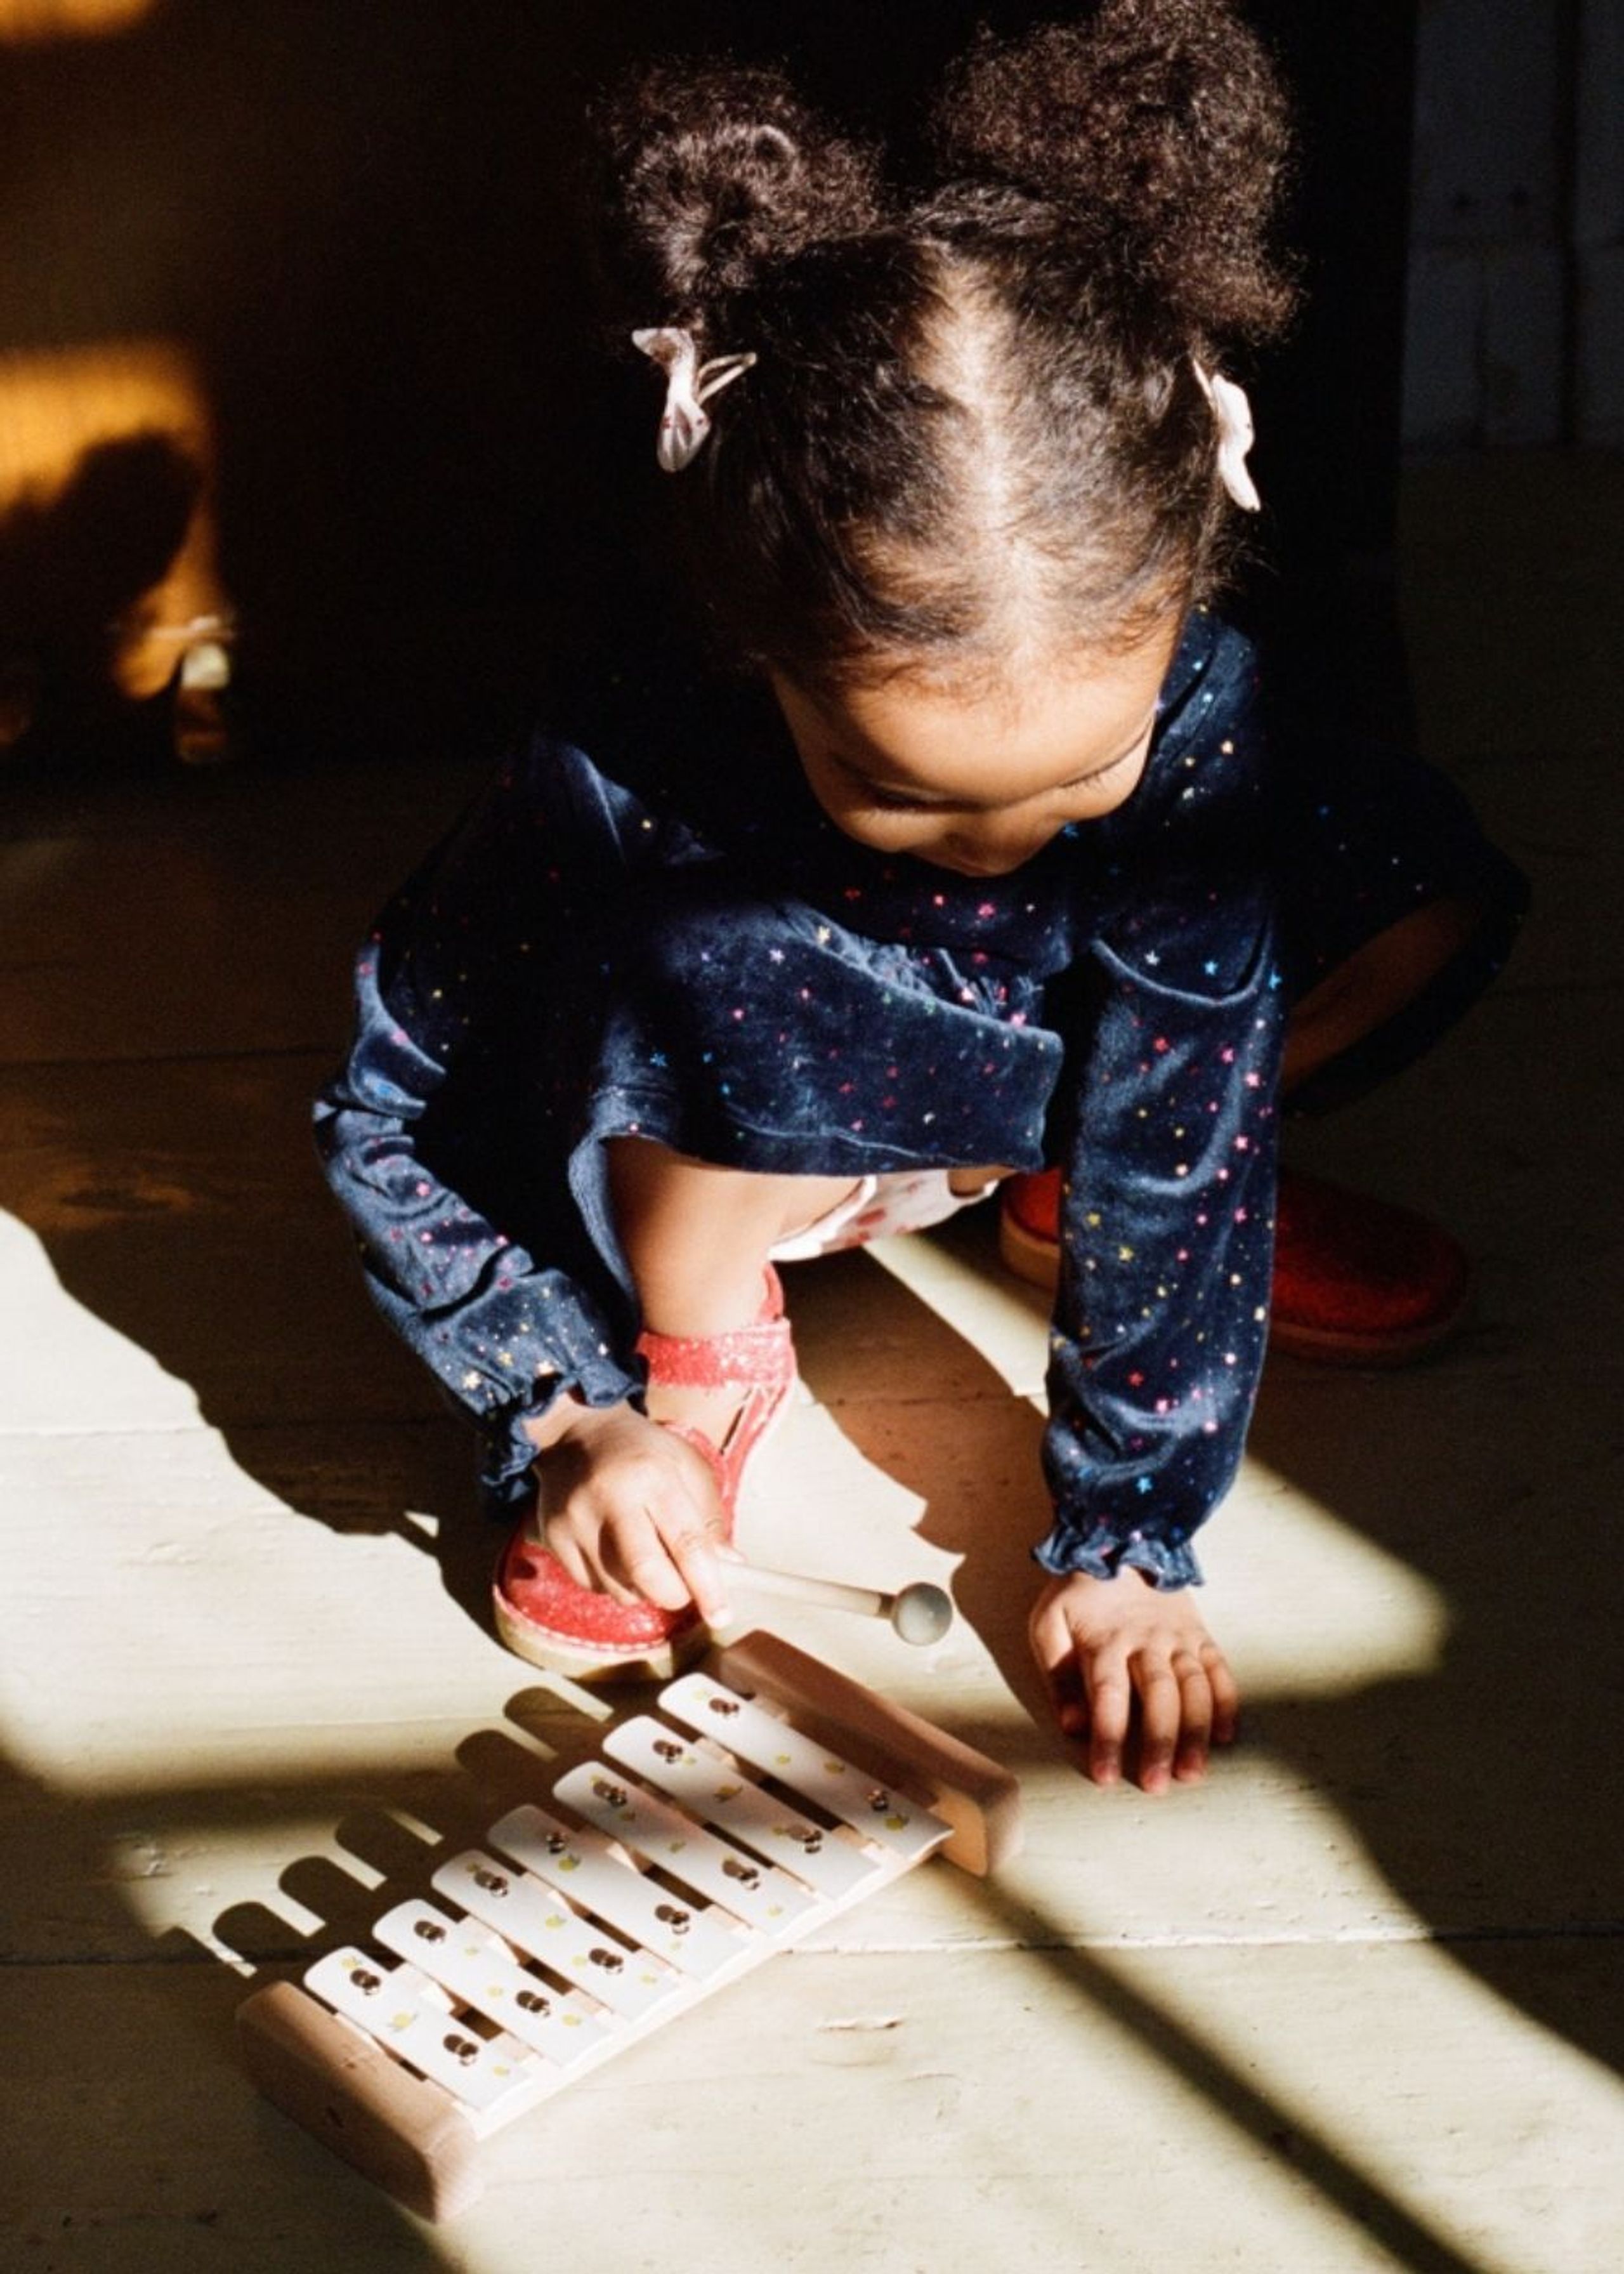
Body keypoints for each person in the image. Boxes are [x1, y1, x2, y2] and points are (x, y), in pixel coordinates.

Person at [314, 1, 1523, 1794]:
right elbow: (394, 1111)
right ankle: (707, 1338)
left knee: (1392, 907)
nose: (1001, 844)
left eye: (1077, 776)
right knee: (706, 973)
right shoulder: (632, 758)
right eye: (898, 790)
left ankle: (1051, 1193)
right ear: (751, 644)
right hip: (771, 1108)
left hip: (1031, 1064)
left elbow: (1178, 1112)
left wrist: (1126, 1535)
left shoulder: (1206, 719)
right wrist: (558, 1404)